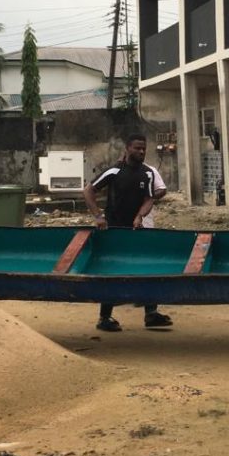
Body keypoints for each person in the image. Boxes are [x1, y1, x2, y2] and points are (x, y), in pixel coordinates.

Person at [83, 134, 172, 332]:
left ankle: (151, 314)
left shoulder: (148, 173)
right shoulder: (114, 171)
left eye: (143, 149)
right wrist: (98, 216)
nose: (141, 152)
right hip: (114, 231)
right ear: (127, 149)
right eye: (137, 148)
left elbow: (150, 198)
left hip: (137, 231)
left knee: (148, 269)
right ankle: (104, 318)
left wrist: (140, 216)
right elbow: (88, 190)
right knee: (112, 272)